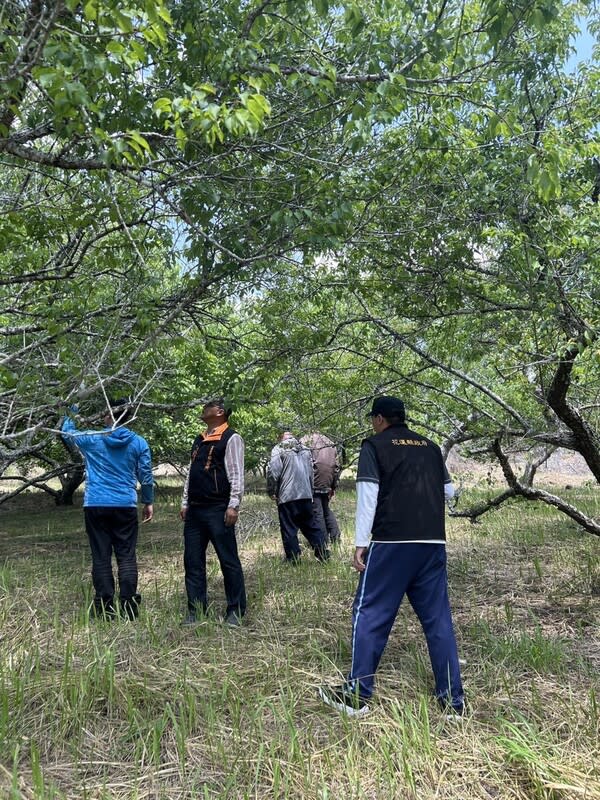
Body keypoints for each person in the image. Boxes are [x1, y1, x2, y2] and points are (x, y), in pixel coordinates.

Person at [319, 396, 464, 717]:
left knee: (370, 613)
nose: (373, 423)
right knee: (438, 620)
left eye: (374, 418)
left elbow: (368, 494)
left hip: (391, 543)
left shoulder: (374, 445)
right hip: (432, 543)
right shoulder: (430, 446)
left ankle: (356, 696)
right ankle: (453, 703)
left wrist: (360, 542)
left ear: (381, 419)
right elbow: (449, 493)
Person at [61, 398, 154, 620]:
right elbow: (146, 477)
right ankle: (129, 606)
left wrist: (72, 408)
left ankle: (104, 606)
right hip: (125, 505)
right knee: (127, 556)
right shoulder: (139, 443)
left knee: (101, 556)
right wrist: (148, 501)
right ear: (129, 415)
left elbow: (67, 433)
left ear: (107, 415)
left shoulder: (93, 438)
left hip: (96, 505)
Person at [180, 398, 246, 626]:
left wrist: (233, 504)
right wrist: (185, 501)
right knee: (192, 561)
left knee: (228, 561)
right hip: (195, 511)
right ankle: (196, 610)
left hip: (219, 508)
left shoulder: (231, 438)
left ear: (219, 412)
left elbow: (236, 473)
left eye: (207, 406)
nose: (202, 409)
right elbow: (191, 472)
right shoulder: (199, 440)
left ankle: (235, 610)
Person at [267, 431, 330, 563]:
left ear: (281, 438)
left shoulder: (279, 449)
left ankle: (293, 558)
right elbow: (311, 472)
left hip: (287, 496)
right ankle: (323, 554)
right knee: (311, 526)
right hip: (306, 495)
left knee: (289, 528)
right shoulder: (306, 450)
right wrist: (310, 491)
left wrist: (271, 490)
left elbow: (273, 471)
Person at [301, 431, 342, 545]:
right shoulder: (330, 442)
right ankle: (335, 538)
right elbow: (337, 466)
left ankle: (322, 542)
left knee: (317, 512)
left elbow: (303, 463)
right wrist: (333, 485)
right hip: (327, 482)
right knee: (325, 509)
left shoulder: (305, 441)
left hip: (313, 482)